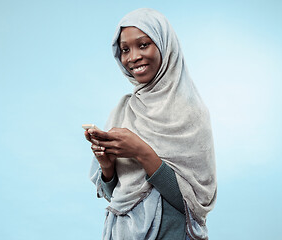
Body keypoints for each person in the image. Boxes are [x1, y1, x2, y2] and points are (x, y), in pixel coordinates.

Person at [84, 8, 217, 240]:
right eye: (125, 49)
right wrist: (106, 166)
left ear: (165, 46)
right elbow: (113, 195)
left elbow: (193, 206)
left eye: (143, 45)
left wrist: (141, 152)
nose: (132, 57)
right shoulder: (124, 109)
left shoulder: (191, 113)